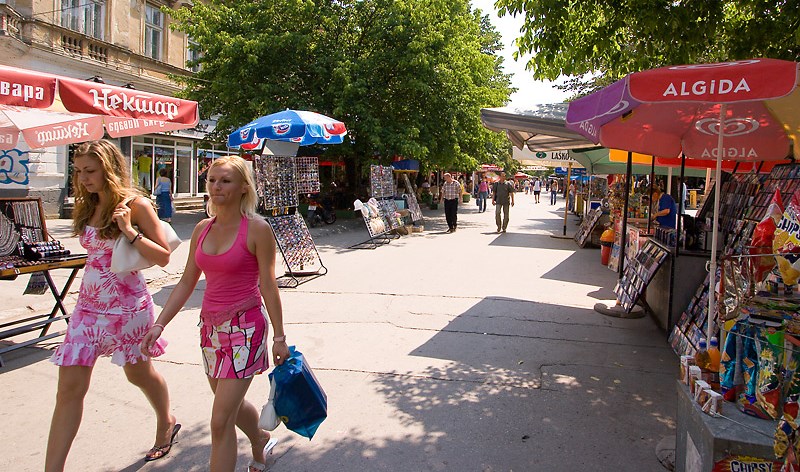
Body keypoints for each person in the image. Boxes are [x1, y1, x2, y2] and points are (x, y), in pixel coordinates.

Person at [141, 155, 289, 472]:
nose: (216, 186)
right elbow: (185, 282)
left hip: (246, 329)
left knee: (219, 421)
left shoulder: (257, 229)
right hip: (210, 330)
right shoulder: (202, 229)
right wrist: (159, 323)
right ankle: (260, 440)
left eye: (225, 181)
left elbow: (268, 284)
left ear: (243, 187)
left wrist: (279, 337)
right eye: (211, 180)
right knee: (231, 409)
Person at [46, 140, 177, 471]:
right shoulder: (88, 204)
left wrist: (129, 231)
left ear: (109, 168)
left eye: (90, 171)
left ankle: (165, 421)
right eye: (78, 172)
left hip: (127, 308)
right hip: (87, 309)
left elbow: (163, 256)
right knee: (69, 391)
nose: (83, 179)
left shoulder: (136, 205)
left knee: (138, 373)